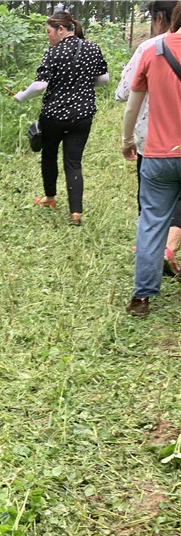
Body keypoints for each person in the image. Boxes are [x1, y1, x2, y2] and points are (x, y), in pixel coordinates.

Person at [13, 10, 109, 226]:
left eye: (49, 32)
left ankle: (50, 197)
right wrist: (81, 85)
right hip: (83, 115)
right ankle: (76, 213)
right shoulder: (91, 47)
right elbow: (104, 79)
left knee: (49, 155)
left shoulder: (53, 52)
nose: (47, 36)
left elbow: (40, 85)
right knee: (73, 162)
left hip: (55, 116)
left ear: (61, 30)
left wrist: (21, 97)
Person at [121, 2, 181, 316]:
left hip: (158, 154)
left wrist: (127, 139)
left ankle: (141, 298)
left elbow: (132, 106)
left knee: (152, 222)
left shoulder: (153, 49)